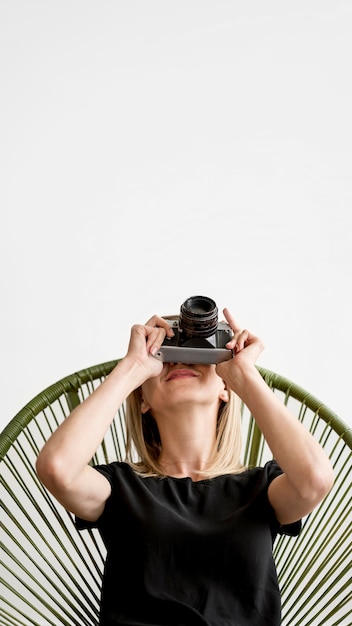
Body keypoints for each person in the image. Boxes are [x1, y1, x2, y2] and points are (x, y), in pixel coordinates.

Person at [36, 305, 334, 626]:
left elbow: (315, 479)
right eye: (165, 354)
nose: (177, 360)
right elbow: (57, 467)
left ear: (225, 390)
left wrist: (245, 376)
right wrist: (133, 366)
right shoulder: (120, 487)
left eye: (196, 351)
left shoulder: (261, 488)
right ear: (143, 400)